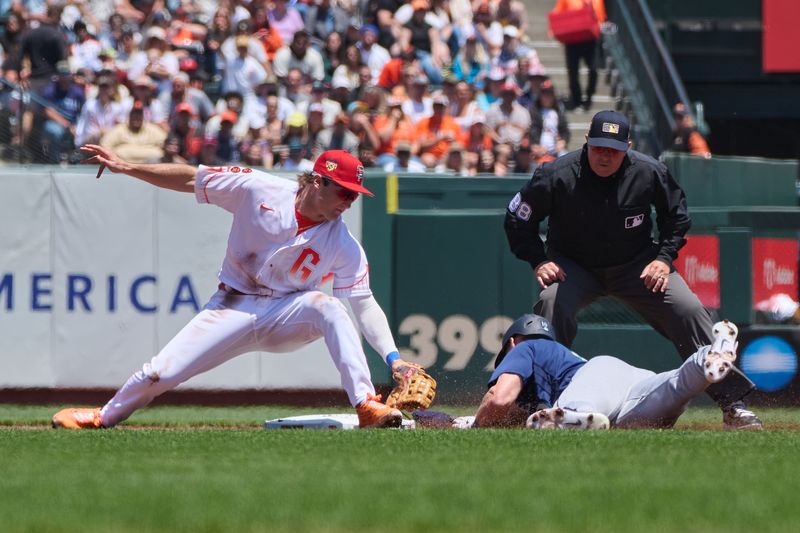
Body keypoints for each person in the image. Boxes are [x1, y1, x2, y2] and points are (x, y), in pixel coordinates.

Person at [52, 148, 418, 430]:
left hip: (287, 313)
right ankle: (104, 416)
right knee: (160, 373)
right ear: (319, 181)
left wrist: (393, 358)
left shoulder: (343, 242)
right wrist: (128, 167)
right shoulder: (258, 187)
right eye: (345, 192)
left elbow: (363, 303)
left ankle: (365, 403)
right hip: (231, 306)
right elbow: (191, 179)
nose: (350, 201)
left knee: (328, 307)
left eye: (355, 196)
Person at [503, 110, 762, 430]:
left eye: (612, 149)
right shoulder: (557, 174)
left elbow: (677, 218)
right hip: (574, 267)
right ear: (586, 143)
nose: (605, 155)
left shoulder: (648, 171)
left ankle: (732, 402)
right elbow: (517, 219)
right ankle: (543, 405)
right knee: (552, 302)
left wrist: (664, 259)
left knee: (688, 308)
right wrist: (539, 260)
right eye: (598, 147)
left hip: (637, 266)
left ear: (627, 146)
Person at [473, 314, 744, 429]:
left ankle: (572, 417)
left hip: (595, 378)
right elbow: (507, 416)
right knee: (678, 385)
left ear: (512, 341)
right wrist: (433, 418)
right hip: (624, 394)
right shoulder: (551, 366)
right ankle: (707, 356)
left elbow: (499, 399)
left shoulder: (526, 345)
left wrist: (476, 425)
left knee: (575, 407)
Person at [550, 0, 606, 111]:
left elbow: (601, 17)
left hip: (590, 40)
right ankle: (576, 98)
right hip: (573, 40)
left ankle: (589, 96)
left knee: (594, 69)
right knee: (573, 70)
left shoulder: (597, 1)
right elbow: (557, 13)